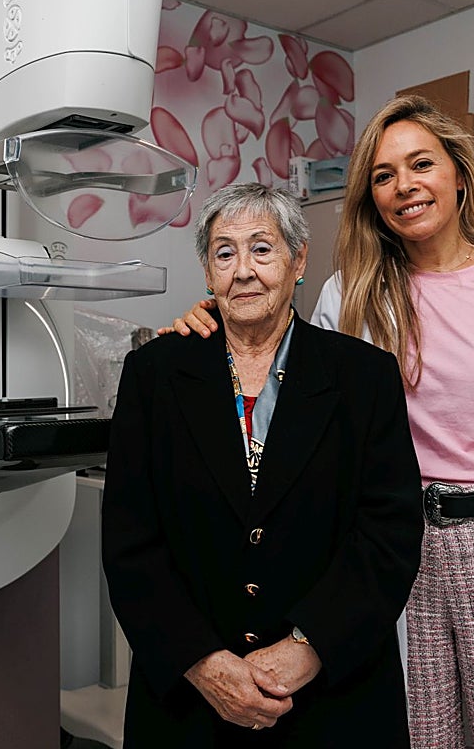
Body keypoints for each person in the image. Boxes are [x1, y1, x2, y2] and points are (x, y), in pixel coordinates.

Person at [164, 97, 474, 749]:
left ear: (460, 175)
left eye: (421, 165)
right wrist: (214, 321)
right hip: (392, 554)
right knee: (418, 737)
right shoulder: (347, 294)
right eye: (384, 175)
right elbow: (289, 392)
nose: (404, 186)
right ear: (370, 195)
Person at [102, 181, 424, 747]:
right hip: (190, 699)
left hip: (331, 699)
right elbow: (130, 541)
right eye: (225, 252)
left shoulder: (364, 377)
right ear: (207, 272)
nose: (243, 270)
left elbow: (389, 533)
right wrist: (203, 662)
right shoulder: (154, 375)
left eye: (262, 248)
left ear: (298, 260)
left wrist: (310, 646)